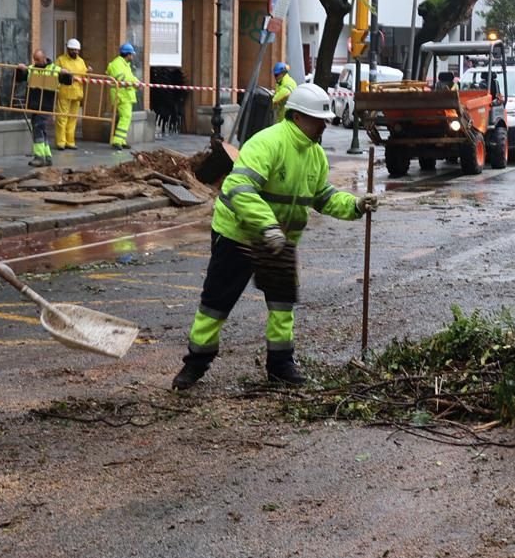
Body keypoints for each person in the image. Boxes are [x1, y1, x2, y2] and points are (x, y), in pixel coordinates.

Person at [172, 82, 377, 390]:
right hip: (239, 234)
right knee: (216, 303)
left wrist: (356, 205)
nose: (323, 125)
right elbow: (239, 190)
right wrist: (267, 226)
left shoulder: (315, 155)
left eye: (325, 121)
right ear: (297, 117)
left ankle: (281, 365)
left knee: (282, 305)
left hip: (278, 239)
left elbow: (322, 197)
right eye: (318, 119)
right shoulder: (267, 143)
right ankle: (195, 364)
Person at [14, 49, 70, 167]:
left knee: (38, 128)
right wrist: (20, 69)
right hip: (34, 105)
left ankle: (39, 157)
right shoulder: (32, 69)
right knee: (41, 129)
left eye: (38, 60)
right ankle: (47, 156)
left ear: (44, 58)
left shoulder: (55, 70)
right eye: (34, 60)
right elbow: (20, 78)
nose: (36, 62)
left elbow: (68, 81)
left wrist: (67, 74)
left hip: (45, 105)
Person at [55, 38, 89, 151]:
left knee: (73, 119)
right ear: (68, 49)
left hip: (77, 93)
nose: (76, 52)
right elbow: (55, 73)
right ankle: (61, 142)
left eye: (77, 50)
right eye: (73, 50)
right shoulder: (61, 60)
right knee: (62, 118)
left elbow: (83, 75)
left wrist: (87, 71)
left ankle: (70, 141)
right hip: (65, 92)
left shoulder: (81, 61)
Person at [106, 42, 140, 151]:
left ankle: (121, 140)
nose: (133, 56)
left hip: (126, 95)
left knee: (125, 118)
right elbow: (121, 78)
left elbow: (130, 77)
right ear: (127, 54)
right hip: (121, 95)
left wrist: (137, 82)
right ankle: (117, 141)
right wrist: (134, 83)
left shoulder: (125, 65)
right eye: (132, 54)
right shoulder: (116, 64)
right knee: (125, 117)